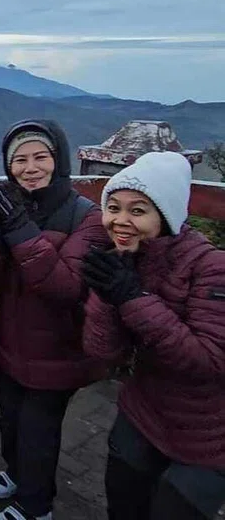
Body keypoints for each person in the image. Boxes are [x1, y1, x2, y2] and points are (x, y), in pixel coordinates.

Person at [0, 119, 110, 520]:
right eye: (20, 160)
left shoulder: (87, 218)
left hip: (58, 352)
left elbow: (65, 288)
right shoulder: (7, 207)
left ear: (58, 160)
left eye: (40, 157)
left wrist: (18, 228)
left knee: (38, 433)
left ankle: (36, 506)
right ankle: (16, 475)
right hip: (10, 340)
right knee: (10, 420)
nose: (30, 168)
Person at [82, 151, 225, 520]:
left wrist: (131, 297)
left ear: (166, 213)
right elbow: (103, 350)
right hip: (144, 410)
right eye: (113, 208)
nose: (120, 220)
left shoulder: (212, 268)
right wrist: (107, 296)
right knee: (123, 503)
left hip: (207, 433)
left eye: (138, 210)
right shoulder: (126, 258)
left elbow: (207, 361)